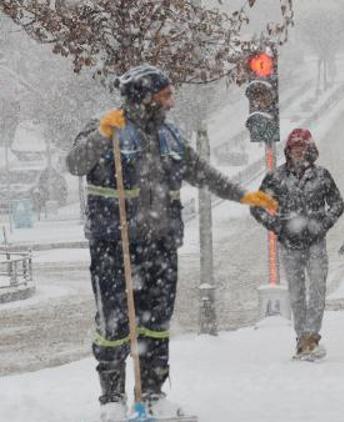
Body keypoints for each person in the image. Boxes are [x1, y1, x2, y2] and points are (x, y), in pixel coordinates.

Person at [66, 65, 277, 421]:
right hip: (113, 245)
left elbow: (202, 172)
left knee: (155, 322)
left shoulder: (170, 135)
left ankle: (152, 394)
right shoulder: (107, 128)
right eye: (165, 95)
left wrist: (243, 195)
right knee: (114, 322)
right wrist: (101, 135)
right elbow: (74, 164)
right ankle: (112, 399)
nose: (171, 101)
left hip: (160, 245)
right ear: (145, 97)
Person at [251, 128, 344, 360]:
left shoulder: (322, 176)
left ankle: (311, 337)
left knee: (317, 290)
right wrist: (278, 227)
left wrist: (323, 224)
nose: (299, 151)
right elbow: (257, 206)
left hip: (315, 243)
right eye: (294, 147)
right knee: (296, 294)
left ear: (310, 149)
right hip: (290, 244)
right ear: (288, 150)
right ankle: (302, 338)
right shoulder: (276, 178)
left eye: (303, 146)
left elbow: (337, 204)